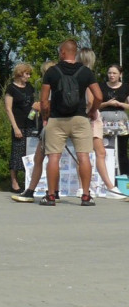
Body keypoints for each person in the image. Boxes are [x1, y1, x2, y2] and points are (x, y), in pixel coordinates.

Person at [39, 39, 102, 206]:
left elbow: (44, 101)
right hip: (80, 119)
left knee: (53, 157)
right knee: (84, 156)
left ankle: (51, 196)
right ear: (76, 52)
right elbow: (99, 96)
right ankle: (86, 196)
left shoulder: (51, 71)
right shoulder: (85, 72)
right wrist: (93, 111)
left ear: (63, 52)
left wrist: (45, 116)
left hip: (57, 119)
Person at [78, 49, 122, 198]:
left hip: (79, 116)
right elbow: (93, 99)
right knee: (99, 153)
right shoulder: (88, 75)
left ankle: (83, 187)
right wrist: (93, 110)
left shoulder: (74, 75)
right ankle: (109, 187)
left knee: (85, 153)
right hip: (91, 117)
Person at [12, 61, 52, 202]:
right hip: (32, 123)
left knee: (40, 158)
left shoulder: (44, 87)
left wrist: (37, 108)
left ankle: (34, 190)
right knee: (32, 156)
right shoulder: (12, 88)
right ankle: (23, 184)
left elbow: (44, 105)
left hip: (44, 124)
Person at [4, 64, 35, 193]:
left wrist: (34, 114)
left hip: (31, 123)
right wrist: (15, 127)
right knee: (17, 153)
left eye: (29, 74)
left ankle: (29, 181)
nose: (28, 77)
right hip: (18, 124)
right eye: (26, 74)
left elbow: (33, 104)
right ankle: (14, 181)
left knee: (30, 154)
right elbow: (8, 109)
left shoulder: (30, 87)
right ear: (20, 74)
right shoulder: (11, 88)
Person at [98, 63, 129, 179]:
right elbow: (96, 105)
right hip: (104, 120)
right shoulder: (101, 86)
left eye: (114, 73)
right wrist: (108, 103)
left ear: (120, 75)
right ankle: (106, 177)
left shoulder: (126, 87)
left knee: (122, 150)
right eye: (109, 73)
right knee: (105, 149)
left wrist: (120, 104)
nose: (111, 75)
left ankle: (124, 176)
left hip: (121, 121)